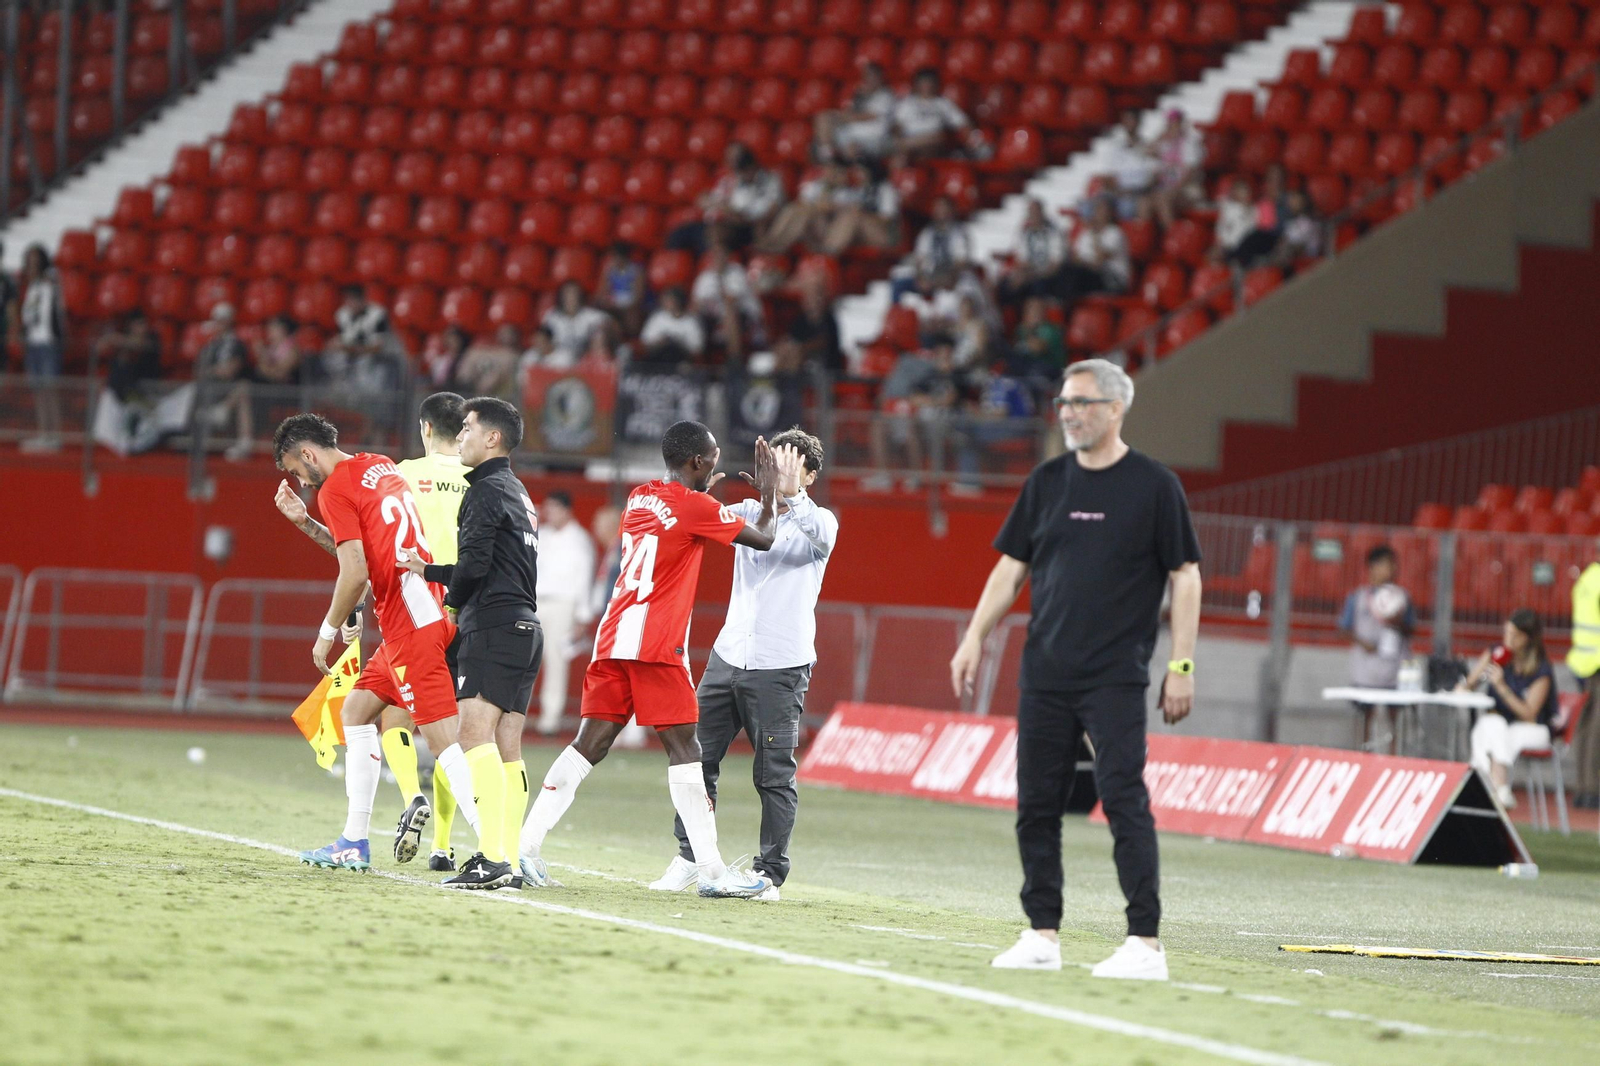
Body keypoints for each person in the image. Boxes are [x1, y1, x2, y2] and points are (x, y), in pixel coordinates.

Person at [950, 358, 1202, 981]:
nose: (1068, 412)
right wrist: (974, 636)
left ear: (1116, 409)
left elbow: (1186, 576)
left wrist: (1182, 665)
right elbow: (1010, 570)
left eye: (1082, 402)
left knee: (1123, 798)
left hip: (1116, 674)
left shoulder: (1155, 485)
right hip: (1045, 673)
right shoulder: (1047, 481)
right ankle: (1042, 934)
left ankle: (1144, 943)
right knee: (1036, 805)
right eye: (1063, 402)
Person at [519, 421, 783, 898]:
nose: (717, 465)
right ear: (697, 462)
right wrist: (767, 496)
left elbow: (673, 522)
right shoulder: (697, 505)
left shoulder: (640, 497)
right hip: (656, 645)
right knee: (687, 751)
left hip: (614, 636)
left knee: (589, 744)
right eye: (713, 458)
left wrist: (703, 497)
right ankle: (714, 873)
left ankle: (525, 847)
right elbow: (764, 538)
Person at [271, 414, 488, 878]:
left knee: (444, 738)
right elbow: (368, 558)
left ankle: (494, 850)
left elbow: (356, 573)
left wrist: (327, 630)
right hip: (423, 608)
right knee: (356, 710)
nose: (299, 480)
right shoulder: (380, 465)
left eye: (295, 469)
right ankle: (353, 840)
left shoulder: (334, 489)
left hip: (411, 625)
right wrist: (306, 523)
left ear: (307, 454)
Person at [649, 430, 835, 900]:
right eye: (774, 461)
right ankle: (689, 857)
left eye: (790, 464)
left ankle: (770, 874)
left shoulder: (822, 521)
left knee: (773, 773)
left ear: (810, 475)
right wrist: (693, 491)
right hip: (727, 656)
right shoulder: (752, 512)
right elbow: (697, 519)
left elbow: (818, 535)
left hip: (781, 664)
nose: (779, 471)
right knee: (696, 759)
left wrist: (788, 494)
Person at [401, 397, 543, 889]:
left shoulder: (482, 490)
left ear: (492, 438)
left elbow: (475, 566)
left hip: (494, 626)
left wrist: (451, 601)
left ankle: (490, 857)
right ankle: (509, 859)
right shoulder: (518, 492)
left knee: (470, 737)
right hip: (526, 626)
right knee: (508, 747)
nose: (459, 436)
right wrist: (435, 571)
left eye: (467, 428)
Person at [1459, 609, 1561, 810]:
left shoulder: (1541, 668)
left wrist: (1501, 686)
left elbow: (1530, 714)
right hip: (1501, 724)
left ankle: (1480, 787)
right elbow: (1469, 683)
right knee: (1491, 723)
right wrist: (1471, 681)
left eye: (1514, 635)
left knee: (1504, 733)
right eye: (1506, 633)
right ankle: (1501, 789)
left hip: (1533, 728)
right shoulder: (1498, 654)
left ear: (1527, 638)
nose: (1507, 639)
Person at [1337, 545, 1415, 751]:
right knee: (1364, 718)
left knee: (1394, 720)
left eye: (1394, 565)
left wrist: (1396, 621)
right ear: (1373, 567)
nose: (1392, 570)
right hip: (1366, 671)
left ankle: (1393, 757)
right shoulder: (1357, 597)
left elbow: (1411, 629)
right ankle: (1363, 756)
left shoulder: (1402, 598)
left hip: (1394, 669)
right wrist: (1364, 643)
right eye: (1387, 564)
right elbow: (1344, 628)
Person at [532, 491, 596, 736]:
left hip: (563, 604)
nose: (549, 513)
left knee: (555, 662)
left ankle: (550, 718)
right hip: (536, 602)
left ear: (566, 510)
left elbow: (584, 580)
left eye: (554, 508)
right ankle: (517, 714)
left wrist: (582, 616)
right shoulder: (542, 535)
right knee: (527, 661)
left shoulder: (579, 540)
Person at [667, 142, 786, 254]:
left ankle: (720, 269)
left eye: (740, 162)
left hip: (749, 227)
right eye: (731, 161)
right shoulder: (730, 180)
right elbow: (705, 200)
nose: (734, 166)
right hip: (722, 221)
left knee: (716, 233)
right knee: (679, 234)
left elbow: (771, 211)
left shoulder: (771, 180)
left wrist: (732, 212)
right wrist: (715, 204)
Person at [19, 243, 66, 453]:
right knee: (39, 390)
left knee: (50, 389)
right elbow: (28, 314)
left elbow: (57, 305)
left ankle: (55, 433)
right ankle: (43, 432)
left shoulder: (51, 281)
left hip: (48, 342)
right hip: (34, 343)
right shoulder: (32, 286)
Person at [193, 302, 254, 462]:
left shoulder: (237, 344)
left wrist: (214, 370)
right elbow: (199, 371)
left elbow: (231, 370)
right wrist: (215, 370)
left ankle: (242, 441)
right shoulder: (210, 345)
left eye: (222, 320)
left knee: (243, 389)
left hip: (229, 388)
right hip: (209, 388)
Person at [815, 61, 896, 162]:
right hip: (852, 132)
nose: (868, 80)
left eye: (872, 76)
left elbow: (868, 116)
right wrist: (860, 98)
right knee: (824, 118)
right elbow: (849, 111)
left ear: (879, 77)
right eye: (866, 76)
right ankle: (826, 156)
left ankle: (838, 163)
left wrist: (844, 117)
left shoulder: (886, 96)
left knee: (851, 148)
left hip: (872, 137)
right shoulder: (861, 95)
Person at [820, 160, 901, 256]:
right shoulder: (858, 190)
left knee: (854, 214)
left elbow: (887, 220)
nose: (857, 174)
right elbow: (827, 205)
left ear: (870, 172)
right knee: (846, 214)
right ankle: (826, 251)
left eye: (860, 171)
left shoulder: (885, 189)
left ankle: (827, 254)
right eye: (856, 171)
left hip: (885, 234)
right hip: (861, 231)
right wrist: (830, 185)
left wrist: (862, 214)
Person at [1569, 557, 1600, 809]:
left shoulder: (1588, 577)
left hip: (1583, 659)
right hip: (1597, 662)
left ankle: (1583, 787)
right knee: (1596, 729)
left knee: (1588, 725)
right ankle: (1592, 787)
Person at [998, 200, 1067, 307]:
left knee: (1037, 286)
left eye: (1036, 212)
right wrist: (1020, 275)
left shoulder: (1054, 233)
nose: (1034, 216)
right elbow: (1022, 261)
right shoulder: (1025, 233)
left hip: (1049, 276)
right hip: (1030, 273)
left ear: (1042, 213)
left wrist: (1034, 275)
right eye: (1031, 212)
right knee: (1006, 286)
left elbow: (1055, 265)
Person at [891, 68, 970, 162]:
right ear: (917, 84)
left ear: (935, 84)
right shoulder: (907, 103)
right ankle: (896, 175)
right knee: (901, 156)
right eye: (923, 82)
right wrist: (898, 136)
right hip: (910, 138)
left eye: (929, 82)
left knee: (936, 137)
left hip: (933, 142)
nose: (927, 86)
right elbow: (897, 125)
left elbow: (962, 122)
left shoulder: (943, 103)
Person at [542, 281, 608, 365]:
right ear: (561, 297)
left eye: (574, 295)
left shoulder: (591, 316)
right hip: (558, 359)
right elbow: (544, 341)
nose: (571, 298)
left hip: (586, 357)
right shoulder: (552, 317)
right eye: (567, 295)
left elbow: (609, 324)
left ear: (580, 297)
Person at [638, 287, 706, 365]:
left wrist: (677, 343)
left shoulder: (692, 321)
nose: (664, 303)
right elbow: (645, 342)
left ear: (678, 301)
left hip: (682, 359)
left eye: (668, 300)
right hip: (658, 357)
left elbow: (697, 349)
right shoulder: (657, 318)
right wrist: (661, 342)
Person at [456, 324, 521, 402]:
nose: (504, 336)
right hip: (480, 380)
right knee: (473, 354)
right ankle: (461, 387)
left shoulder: (513, 355)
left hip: (501, 390)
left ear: (515, 336)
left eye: (507, 333)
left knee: (493, 376)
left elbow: (501, 371)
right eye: (502, 333)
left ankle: (478, 398)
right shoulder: (493, 351)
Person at [594, 241, 646, 336]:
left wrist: (627, 305)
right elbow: (602, 292)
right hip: (613, 304)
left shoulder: (636, 271)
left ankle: (630, 338)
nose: (614, 260)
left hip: (629, 305)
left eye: (616, 257)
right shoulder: (609, 270)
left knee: (632, 316)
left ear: (623, 257)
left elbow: (638, 296)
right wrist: (606, 301)